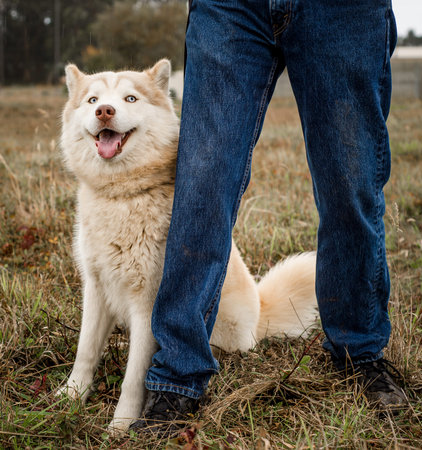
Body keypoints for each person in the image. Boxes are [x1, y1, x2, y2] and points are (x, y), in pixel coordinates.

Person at [131, 0, 407, 435]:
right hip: (231, 8)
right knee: (203, 179)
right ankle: (178, 368)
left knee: (350, 183)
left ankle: (360, 350)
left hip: (344, 12)